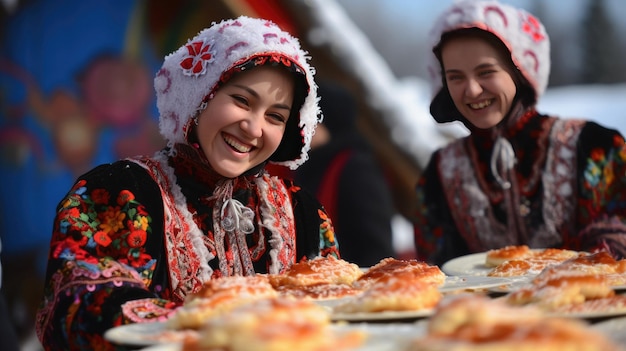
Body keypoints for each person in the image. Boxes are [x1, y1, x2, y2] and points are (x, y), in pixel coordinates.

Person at [35, 16, 339, 350]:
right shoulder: (118, 193)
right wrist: (221, 326)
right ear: (201, 93)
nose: (254, 128)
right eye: (242, 101)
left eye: (275, 116)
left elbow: (341, 314)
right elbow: (77, 311)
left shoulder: (304, 214)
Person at [413, 0, 626, 266]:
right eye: (455, 77)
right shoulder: (440, 173)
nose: (472, 90)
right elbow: (433, 273)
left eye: (486, 72)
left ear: (519, 70)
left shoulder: (593, 148)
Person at [294, 81, 396, 267]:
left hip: (353, 284)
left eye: (311, 120)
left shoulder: (357, 168)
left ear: (332, 123)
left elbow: (376, 246)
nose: (301, 127)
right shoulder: (312, 164)